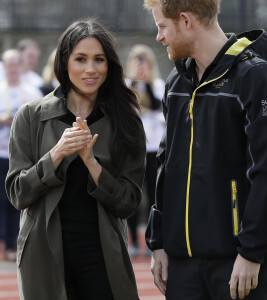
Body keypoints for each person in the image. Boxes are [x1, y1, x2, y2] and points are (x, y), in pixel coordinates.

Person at [143, 1, 267, 300]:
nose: (159, 37)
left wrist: (251, 252)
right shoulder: (177, 82)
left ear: (186, 21)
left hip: (239, 264)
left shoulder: (256, 78)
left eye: (162, 26)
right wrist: (158, 240)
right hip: (182, 266)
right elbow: (166, 162)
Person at [6, 18, 146, 300]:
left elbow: (129, 203)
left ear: (110, 65)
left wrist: (92, 164)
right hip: (43, 255)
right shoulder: (30, 116)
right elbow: (18, 194)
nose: (90, 69)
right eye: (80, 59)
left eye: (99, 59)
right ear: (64, 62)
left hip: (102, 256)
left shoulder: (127, 122)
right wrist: (57, 153)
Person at [0, 49, 42, 261]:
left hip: (23, 155)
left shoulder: (32, 92)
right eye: (8, 65)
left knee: (19, 201)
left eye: (15, 65)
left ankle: (19, 244)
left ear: (21, 66)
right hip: (1, 154)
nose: (12, 69)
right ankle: (7, 244)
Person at [126, 44, 165, 257]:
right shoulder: (126, 85)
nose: (140, 66)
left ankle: (152, 240)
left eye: (144, 62)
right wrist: (134, 81)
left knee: (153, 196)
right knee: (133, 197)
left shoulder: (157, 85)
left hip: (153, 149)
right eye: (136, 61)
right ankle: (132, 241)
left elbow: (159, 106)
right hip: (133, 148)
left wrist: (147, 83)